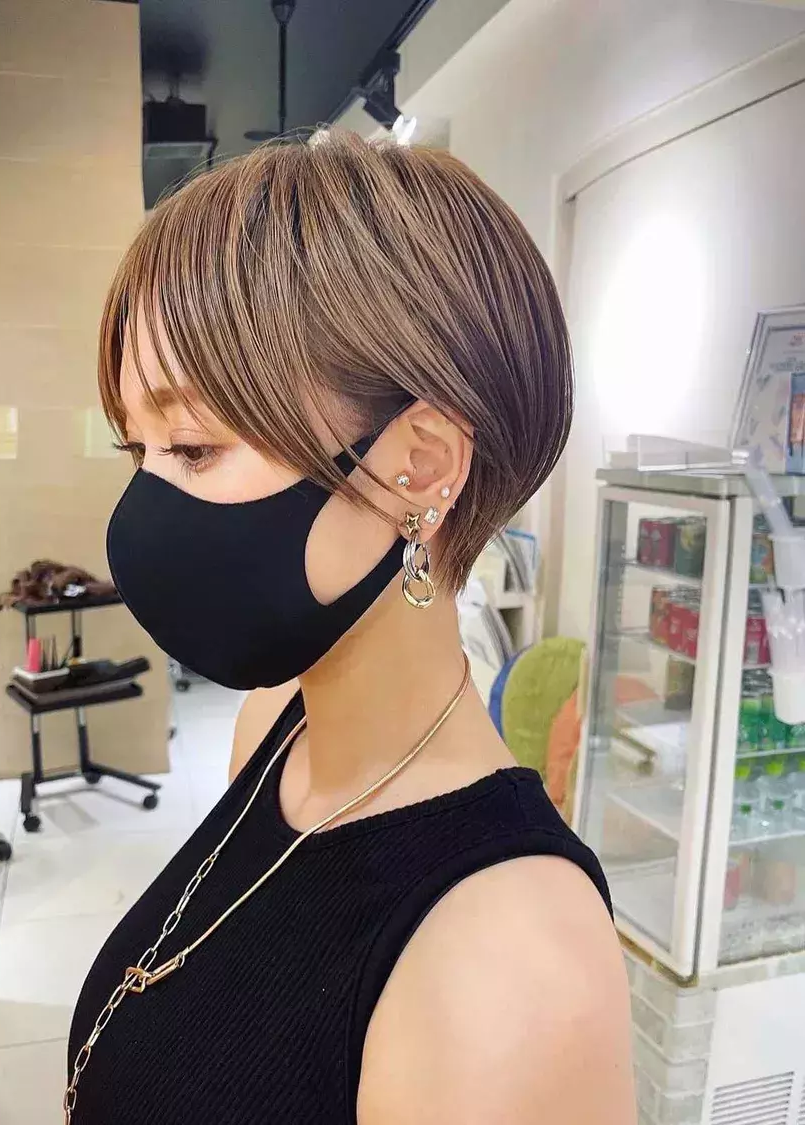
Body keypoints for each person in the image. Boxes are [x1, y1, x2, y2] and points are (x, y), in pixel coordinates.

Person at [66, 131, 635, 1125]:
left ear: (420, 464)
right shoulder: (276, 730)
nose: (140, 518)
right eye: (137, 449)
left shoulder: (510, 960)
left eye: (193, 447)